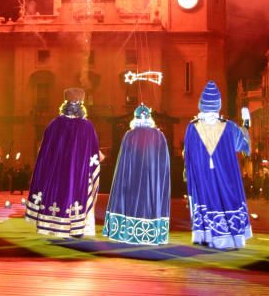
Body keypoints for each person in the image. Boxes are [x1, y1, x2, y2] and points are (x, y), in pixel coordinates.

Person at [184, 80, 252, 250]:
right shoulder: (229, 127)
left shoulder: (192, 128)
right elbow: (243, 145)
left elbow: (188, 155)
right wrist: (246, 126)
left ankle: (206, 236)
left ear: (202, 104)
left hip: (202, 177)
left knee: (206, 203)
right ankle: (230, 238)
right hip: (226, 177)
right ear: (218, 105)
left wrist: (189, 174)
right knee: (227, 202)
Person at [25, 88, 100, 238]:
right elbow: (93, 155)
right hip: (77, 175)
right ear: (81, 106)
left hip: (56, 174)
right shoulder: (87, 127)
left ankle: (52, 226)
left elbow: (44, 153)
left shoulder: (54, 125)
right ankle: (75, 228)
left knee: (56, 195)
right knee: (75, 195)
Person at [103, 104, 170, 245]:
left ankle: (128, 233)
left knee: (132, 202)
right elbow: (164, 163)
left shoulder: (130, 135)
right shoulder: (159, 135)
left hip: (132, 178)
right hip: (152, 179)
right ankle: (152, 234)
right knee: (150, 201)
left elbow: (123, 162)